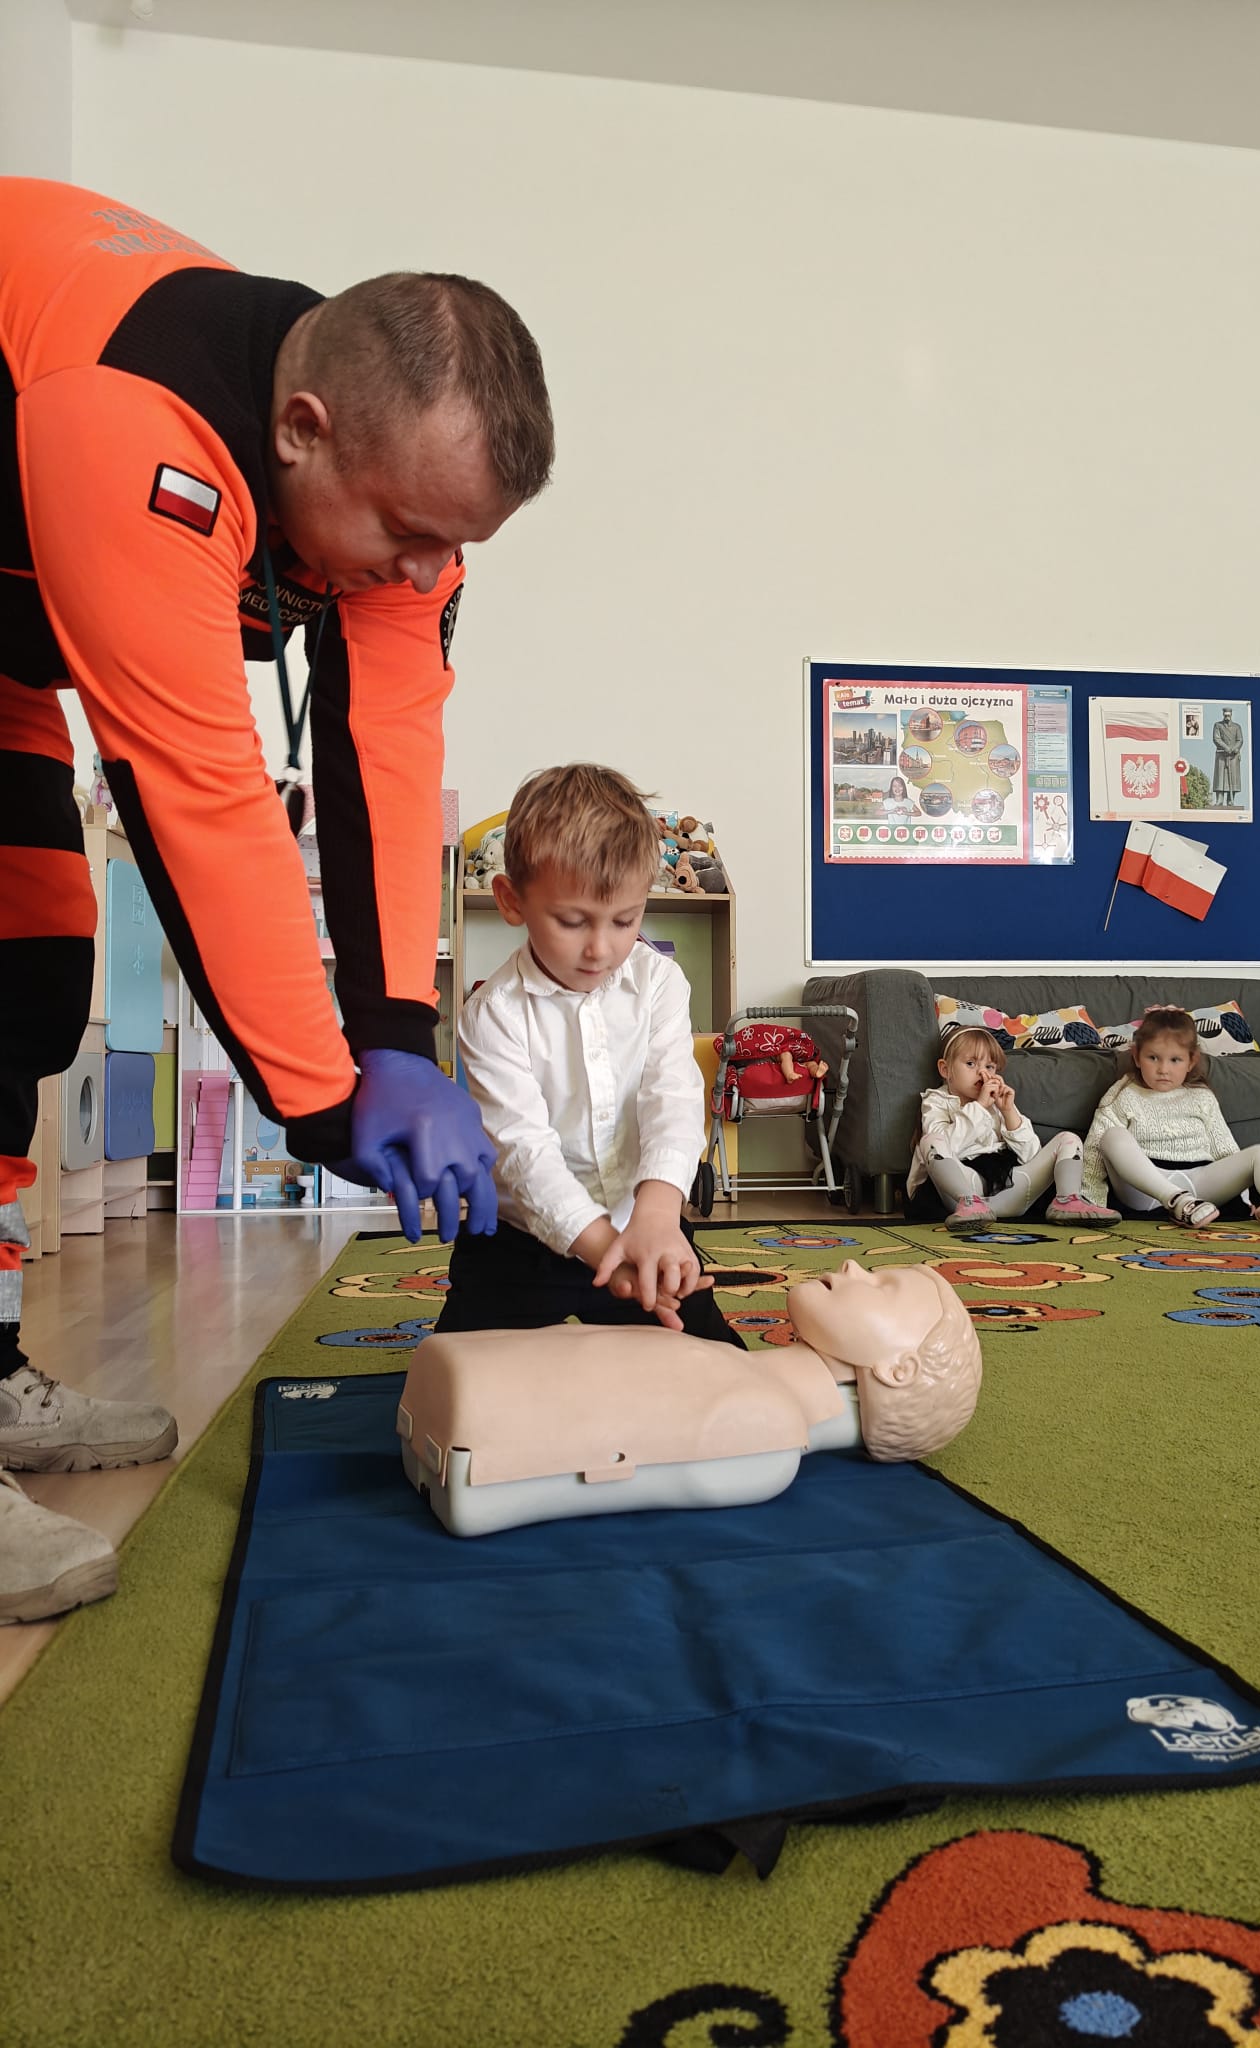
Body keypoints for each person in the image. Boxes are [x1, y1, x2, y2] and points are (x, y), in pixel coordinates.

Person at [0, 179, 555, 1625]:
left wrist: (398, 1035)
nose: (429, 572)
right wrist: (321, 1100)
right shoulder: (143, 423)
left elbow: (387, 753)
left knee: (27, 978)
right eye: (411, 532)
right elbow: (199, 789)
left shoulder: (381, 479)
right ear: (301, 429)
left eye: (457, 546)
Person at [434, 764, 743, 1346]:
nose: (601, 948)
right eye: (572, 922)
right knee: (459, 1373)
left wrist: (657, 1218)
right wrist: (606, 1251)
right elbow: (524, 1154)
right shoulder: (492, 1013)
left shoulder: (659, 983)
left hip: (642, 1225)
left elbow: (673, 1100)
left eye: (625, 920)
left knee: (720, 1363)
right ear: (511, 901)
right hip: (522, 1239)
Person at [402, 1259, 983, 1536]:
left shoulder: (770, 1432)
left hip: (480, 1407)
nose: (855, 1265)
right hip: (473, 1381)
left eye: (882, 1286)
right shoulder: (750, 1389)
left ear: (899, 1370)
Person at [1081, 1009, 1260, 1229]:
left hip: (1199, 1184)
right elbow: (1094, 1151)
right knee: (1112, 1137)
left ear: (1191, 1061)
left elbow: (1225, 1148)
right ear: (1136, 1057)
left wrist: (1241, 1201)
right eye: (1153, 1058)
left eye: (1175, 1060)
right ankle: (1176, 1201)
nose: (1163, 1069)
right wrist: (1091, 1203)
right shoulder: (1123, 1094)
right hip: (1147, 1190)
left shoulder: (1201, 1096)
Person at [908, 1024, 1120, 1233]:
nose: (982, 1073)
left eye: (989, 1067)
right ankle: (970, 1204)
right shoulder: (935, 1101)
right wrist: (979, 1107)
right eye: (971, 1064)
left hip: (1012, 1192)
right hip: (962, 1193)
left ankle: (1068, 1200)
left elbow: (1031, 1155)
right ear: (945, 1069)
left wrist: (1009, 1112)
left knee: (1068, 1139)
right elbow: (949, 1147)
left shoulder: (998, 1102)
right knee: (930, 1141)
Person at [1212, 707, 1244, 808]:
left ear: (1231, 715)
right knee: (1220, 778)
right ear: (1223, 715)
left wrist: (1234, 748)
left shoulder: (1237, 727)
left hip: (1233, 756)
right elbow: (1216, 738)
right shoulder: (1218, 725)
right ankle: (1219, 800)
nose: (1227, 717)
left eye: (1229, 715)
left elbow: (1240, 740)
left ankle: (1230, 800)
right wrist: (1226, 748)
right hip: (1221, 755)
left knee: (1233, 778)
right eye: (1225, 715)